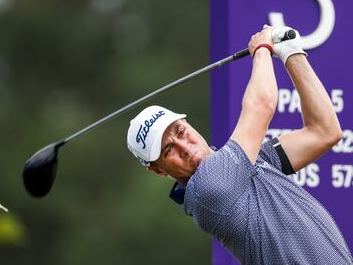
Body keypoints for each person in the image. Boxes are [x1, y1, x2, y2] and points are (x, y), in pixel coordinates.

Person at [126, 26, 353, 264]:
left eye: (180, 131)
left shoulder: (248, 162)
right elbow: (262, 105)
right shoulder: (207, 188)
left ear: (188, 124)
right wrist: (262, 48)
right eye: (168, 150)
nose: (184, 146)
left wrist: (291, 53)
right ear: (158, 169)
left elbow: (324, 132)